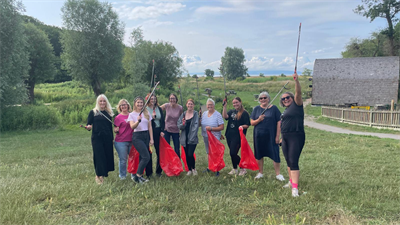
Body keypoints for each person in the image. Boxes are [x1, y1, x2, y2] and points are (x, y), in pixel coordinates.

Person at [280, 72, 305, 197]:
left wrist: (296, 81)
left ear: (292, 98)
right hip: (285, 137)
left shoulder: (297, 105)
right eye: (283, 99)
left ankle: (295, 190)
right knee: (288, 161)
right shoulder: (286, 110)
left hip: (296, 136)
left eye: (287, 97)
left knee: (293, 161)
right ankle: (291, 182)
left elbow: (298, 93)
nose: (285, 100)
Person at [250, 92, 284, 181]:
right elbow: (252, 123)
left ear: (268, 99)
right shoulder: (256, 109)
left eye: (265, 98)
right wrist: (259, 119)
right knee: (259, 154)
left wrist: (277, 136)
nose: (263, 99)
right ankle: (260, 172)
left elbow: (279, 122)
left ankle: (278, 174)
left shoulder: (274, 108)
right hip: (259, 136)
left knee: (275, 153)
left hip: (271, 136)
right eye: (261, 98)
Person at [85, 94, 115, 185]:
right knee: (99, 156)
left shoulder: (109, 112)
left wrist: (112, 138)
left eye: (104, 101)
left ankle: (104, 173)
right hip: (97, 138)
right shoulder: (93, 112)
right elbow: (89, 124)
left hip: (107, 137)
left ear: (106, 102)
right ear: (98, 102)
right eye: (100, 101)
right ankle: (99, 176)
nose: (102, 102)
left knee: (106, 155)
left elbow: (110, 127)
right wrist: (88, 127)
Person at [127, 97, 154, 184]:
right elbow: (132, 127)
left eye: (141, 103)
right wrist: (138, 121)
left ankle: (140, 176)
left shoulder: (146, 113)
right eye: (138, 103)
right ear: (135, 104)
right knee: (146, 157)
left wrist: (151, 138)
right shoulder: (132, 114)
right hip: (137, 136)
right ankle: (137, 176)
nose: (140, 104)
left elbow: (150, 127)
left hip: (146, 135)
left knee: (142, 157)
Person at [222, 97, 250, 176]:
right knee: (232, 153)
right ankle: (235, 169)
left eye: (237, 102)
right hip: (229, 135)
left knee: (233, 153)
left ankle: (242, 168)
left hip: (238, 136)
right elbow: (225, 116)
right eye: (234, 103)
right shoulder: (231, 111)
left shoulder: (244, 113)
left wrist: (242, 126)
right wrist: (224, 106)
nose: (235, 104)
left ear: (240, 102)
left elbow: (247, 124)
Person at [200, 98, 224, 176]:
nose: (210, 106)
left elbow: (221, 127)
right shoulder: (204, 114)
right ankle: (210, 167)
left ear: (214, 105)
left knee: (215, 153)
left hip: (214, 137)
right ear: (206, 106)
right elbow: (201, 124)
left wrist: (212, 129)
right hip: (206, 136)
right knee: (208, 152)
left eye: (211, 104)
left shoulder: (218, 114)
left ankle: (217, 169)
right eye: (208, 105)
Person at [177, 99, 200, 176]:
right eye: (188, 104)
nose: (190, 105)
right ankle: (189, 169)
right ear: (186, 105)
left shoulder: (196, 114)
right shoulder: (183, 114)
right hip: (184, 138)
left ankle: (194, 168)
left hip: (192, 138)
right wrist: (183, 124)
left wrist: (192, 137)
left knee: (190, 154)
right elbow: (179, 126)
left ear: (194, 105)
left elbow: (196, 126)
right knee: (186, 154)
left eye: (191, 104)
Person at [114, 99, 134, 180]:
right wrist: (116, 130)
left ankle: (134, 174)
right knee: (123, 159)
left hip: (132, 140)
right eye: (122, 105)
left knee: (133, 158)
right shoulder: (118, 117)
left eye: (125, 104)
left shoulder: (132, 115)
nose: (124, 106)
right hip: (121, 141)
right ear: (120, 107)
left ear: (128, 106)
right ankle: (122, 176)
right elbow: (115, 129)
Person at [146, 94, 165, 177]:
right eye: (151, 99)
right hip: (148, 131)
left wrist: (162, 130)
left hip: (158, 131)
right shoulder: (145, 109)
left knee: (159, 152)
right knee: (149, 152)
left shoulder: (159, 109)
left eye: (154, 99)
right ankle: (149, 173)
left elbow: (162, 120)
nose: (153, 100)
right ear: (148, 99)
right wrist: (151, 118)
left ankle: (158, 171)